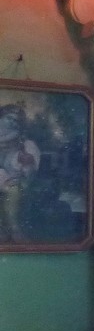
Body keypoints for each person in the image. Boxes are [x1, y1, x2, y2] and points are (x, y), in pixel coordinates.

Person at [0, 103, 39, 243]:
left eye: (16, 120)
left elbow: (30, 176)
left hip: (16, 185)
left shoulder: (26, 145)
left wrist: (28, 164)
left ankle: (15, 230)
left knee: (13, 191)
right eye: (8, 118)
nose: (12, 122)